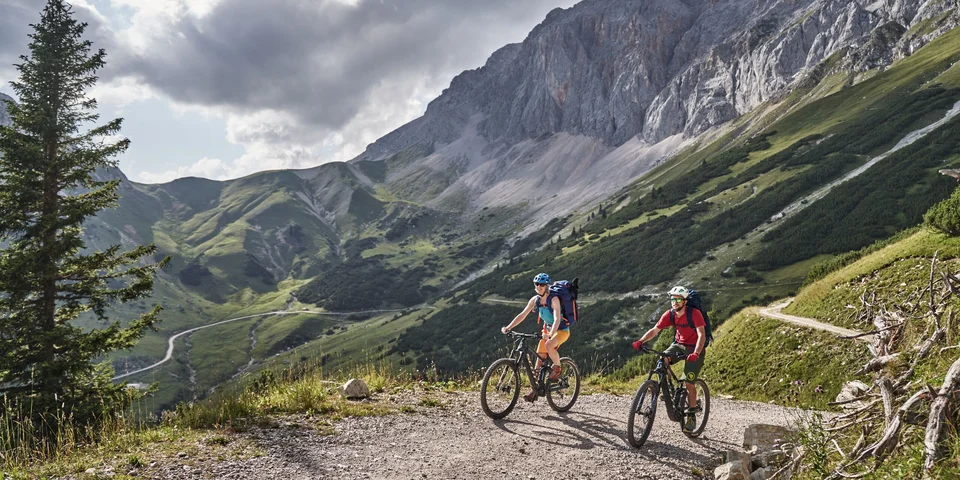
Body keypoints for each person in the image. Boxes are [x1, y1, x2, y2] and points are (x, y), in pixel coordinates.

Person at [631, 286, 706, 431]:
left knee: (689, 382)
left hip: (695, 349)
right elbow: (655, 330)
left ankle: (691, 413)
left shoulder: (694, 314)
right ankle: (668, 391)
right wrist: (641, 341)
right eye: (673, 299)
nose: (675, 302)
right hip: (679, 345)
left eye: (678, 299)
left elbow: (701, 334)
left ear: (685, 301)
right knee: (662, 360)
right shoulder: (670, 314)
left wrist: (696, 352)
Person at [501, 272, 571, 402]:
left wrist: (550, 335)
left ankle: (557, 368)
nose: (539, 286)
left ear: (547, 286)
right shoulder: (535, 300)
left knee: (549, 345)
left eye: (542, 284)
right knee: (537, 366)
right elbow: (522, 315)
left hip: (561, 330)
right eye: (537, 284)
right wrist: (509, 327)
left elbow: (556, 319)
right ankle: (535, 390)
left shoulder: (554, 299)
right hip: (547, 331)